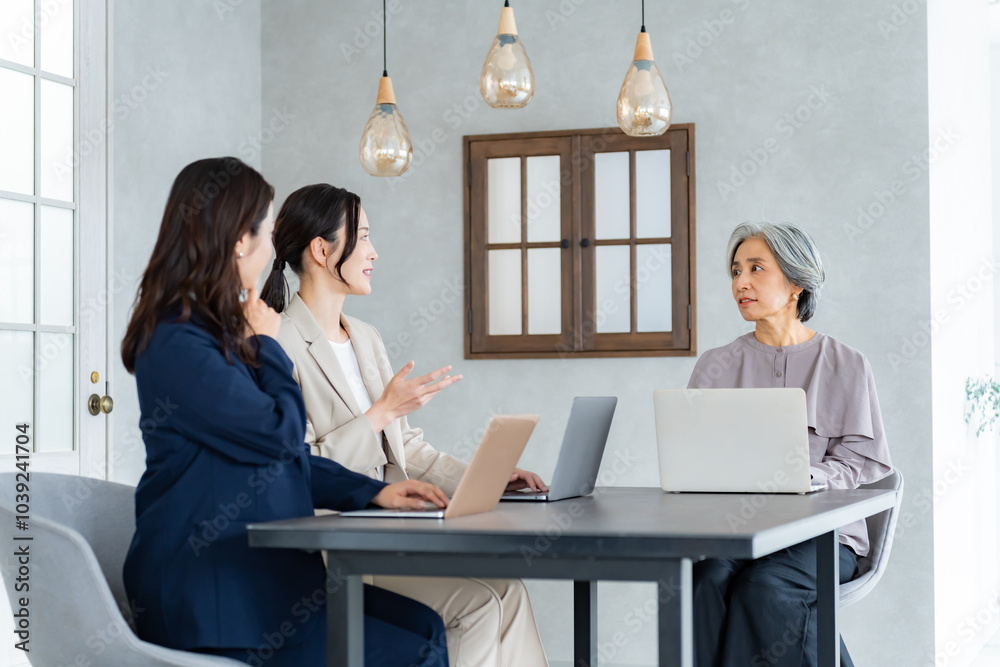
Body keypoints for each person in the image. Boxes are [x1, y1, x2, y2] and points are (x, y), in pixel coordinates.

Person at [120, 157, 452, 667]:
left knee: (425, 626)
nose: (275, 246)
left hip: (266, 582)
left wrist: (374, 492)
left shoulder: (218, 331)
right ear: (238, 241)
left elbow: (287, 457)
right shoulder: (177, 339)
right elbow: (280, 432)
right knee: (416, 653)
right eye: (269, 231)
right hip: (216, 597)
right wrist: (270, 348)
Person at [260, 183, 550, 667]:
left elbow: (408, 450)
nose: (374, 252)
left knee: (509, 590)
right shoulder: (280, 342)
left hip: (392, 534)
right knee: (480, 604)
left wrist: (490, 478)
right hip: (335, 547)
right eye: (365, 237)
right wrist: (380, 413)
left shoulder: (366, 338)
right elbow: (297, 469)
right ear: (321, 249)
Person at [687, 222, 893, 667]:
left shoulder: (847, 364)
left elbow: (864, 462)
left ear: (796, 283)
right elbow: (695, 457)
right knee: (703, 580)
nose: (740, 282)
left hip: (825, 536)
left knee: (764, 590)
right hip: (740, 530)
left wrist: (810, 476)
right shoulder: (715, 366)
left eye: (756, 268)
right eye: (735, 270)